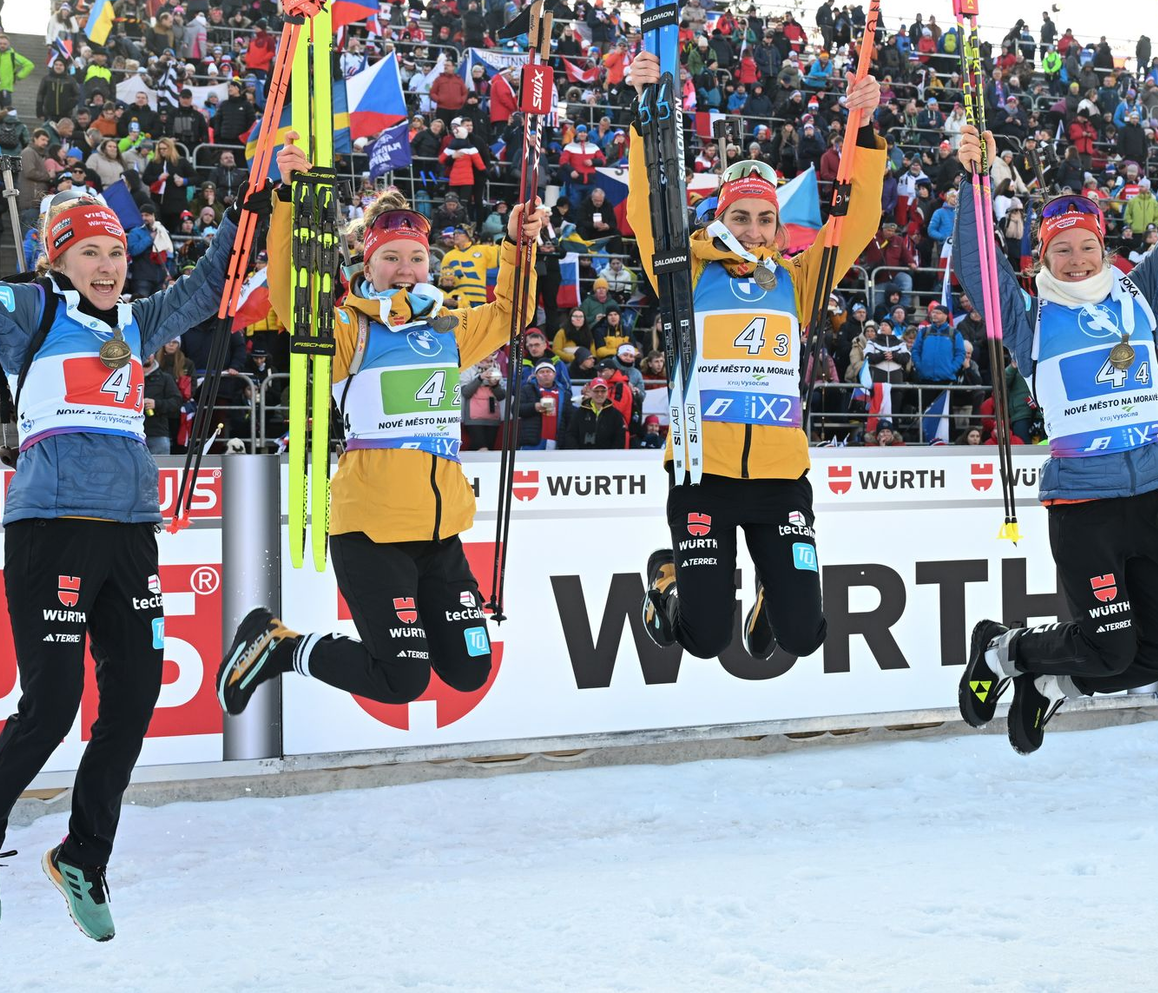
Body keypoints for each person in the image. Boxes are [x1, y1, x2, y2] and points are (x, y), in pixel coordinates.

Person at [216, 132, 547, 740]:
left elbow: (510, 311)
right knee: (403, 681)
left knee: (470, 669)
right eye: (391, 258)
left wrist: (517, 244)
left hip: (440, 532)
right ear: (366, 264)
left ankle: (390, 633)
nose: (405, 269)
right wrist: (289, 201)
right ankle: (279, 645)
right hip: (372, 530)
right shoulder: (349, 327)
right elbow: (296, 300)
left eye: (415, 258)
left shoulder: (449, 327)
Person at [0, 187, 247, 940]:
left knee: (134, 697)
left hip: (132, 531)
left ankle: (82, 853)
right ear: (56, 258)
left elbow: (212, 284)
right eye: (88, 252)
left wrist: (253, 206)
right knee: (52, 704)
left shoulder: (137, 323)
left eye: (113, 252)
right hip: (52, 526)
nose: (106, 266)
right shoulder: (31, 314)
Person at [628, 49, 885, 663]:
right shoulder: (682, 272)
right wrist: (644, 118)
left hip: (779, 478)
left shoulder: (798, 280)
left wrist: (866, 131)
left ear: (778, 226)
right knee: (705, 636)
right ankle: (667, 579)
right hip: (701, 474)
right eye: (739, 217)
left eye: (764, 219)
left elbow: (859, 223)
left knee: (802, 635)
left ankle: (773, 590)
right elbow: (646, 212)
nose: (752, 229)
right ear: (720, 218)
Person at [954, 125, 1158, 755]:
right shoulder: (1030, 318)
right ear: (1043, 257)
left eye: (1086, 246)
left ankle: (1046, 684)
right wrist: (974, 183)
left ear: (1103, 246)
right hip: (1084, 506)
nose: (1077, 260)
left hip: (1150, 497)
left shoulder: (1138, 293)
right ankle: (1002, 649)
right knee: (1110, 647)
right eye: (1061, 250)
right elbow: (978, 268)